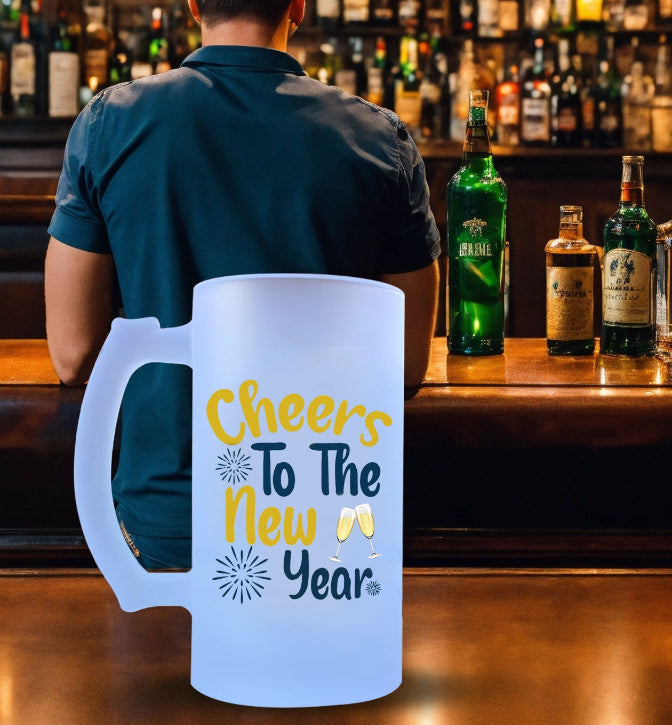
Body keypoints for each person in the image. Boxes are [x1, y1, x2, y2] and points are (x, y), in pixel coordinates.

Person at [45, 0, 441, 571]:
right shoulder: (380, 140)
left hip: (167, 523)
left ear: (193, 5)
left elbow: (73, 354)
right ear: (298, 7)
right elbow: (404, 364)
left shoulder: (113, 122)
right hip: (319, 528)